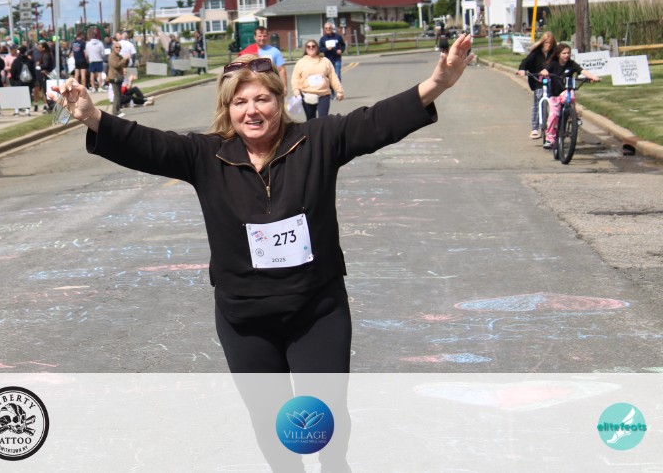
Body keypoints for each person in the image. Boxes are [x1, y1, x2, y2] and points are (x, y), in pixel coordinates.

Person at [52, 34, 474, 372]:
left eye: (261, 100)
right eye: (240, 102)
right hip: (245, 319)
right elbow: (147, 145)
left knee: (319, 423)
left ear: (279, 101)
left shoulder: (317, 140)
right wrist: (93, 117)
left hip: (317, 311)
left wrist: (437, 83)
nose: (251, 111)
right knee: (271, 427)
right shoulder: (205, 155)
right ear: (227, 109)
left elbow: (376, 122)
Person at [540, 43, 601, 149]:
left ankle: (572, 114)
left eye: (568, 53)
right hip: (554, 95)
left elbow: (582, 71)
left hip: (566, 92)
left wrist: (593, 77)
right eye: (564, 53)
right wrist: (544, 72)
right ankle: (550, 139)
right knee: (553, 115)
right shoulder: (553, 64)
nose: (566, 55)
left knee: (570, 94)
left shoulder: (571, 64)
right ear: (558, 54)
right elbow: (545, 70)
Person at [516, 31, 557, 139]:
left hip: (552, 80)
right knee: (538, 99)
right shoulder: (536, 53)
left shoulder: (554, 53)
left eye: (550, 42)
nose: (548, 45)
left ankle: (554, 123)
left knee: (555, 100)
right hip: (538, 81)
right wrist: (522, 70)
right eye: (546, 42)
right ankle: (535, 128)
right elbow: (526, 62)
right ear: (542, 42)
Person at [291, 40, 345, 120]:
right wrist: (296, 90)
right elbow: (295, 78)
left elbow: (333, 77)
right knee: (310, 120)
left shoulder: (325, 61)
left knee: (323, 119)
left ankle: (322, 128)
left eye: (313, 46)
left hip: (323, 94)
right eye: (308, 46)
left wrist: (339, 91)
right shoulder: (301, 62)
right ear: (305, 49)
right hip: (307, 94)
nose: (311, 48)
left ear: (317, 48)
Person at [9, 45, 36, 116]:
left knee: (17, 95)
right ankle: (27, 111)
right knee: (28, 95)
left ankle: (17, 110)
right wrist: (34, 81)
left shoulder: (16, 61)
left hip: (18, 81)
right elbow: (33, 72)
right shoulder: (30, 61)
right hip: (28, 81)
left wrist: (13, 79)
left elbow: (12, 72)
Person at [107, 41, 127, 117]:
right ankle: (115, 112)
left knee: (119, 94)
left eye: (119, 47)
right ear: (113, 48)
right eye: (116, 47)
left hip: (119, 76)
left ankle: (118, 110)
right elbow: (116, 65)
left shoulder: (119, 56)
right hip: (114, 77)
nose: (118, 48)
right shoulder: (111, 56)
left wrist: (126, 59)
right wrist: (123, 60)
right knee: (117, 95)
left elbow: (124, 65)